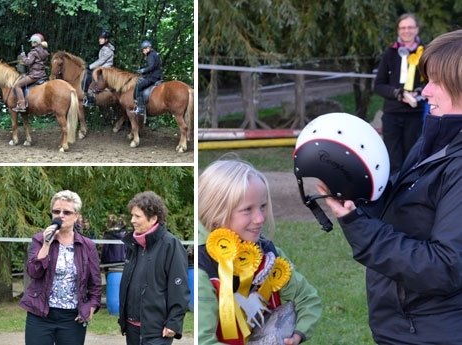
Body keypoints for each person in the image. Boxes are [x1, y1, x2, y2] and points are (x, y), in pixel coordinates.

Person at [315, 29, 462, 344]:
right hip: (405, 325)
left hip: (434, 333)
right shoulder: (434, 139)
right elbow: (405, 206)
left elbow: (444, 267)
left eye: (437, 81)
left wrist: (358, 227)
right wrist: (356, 190)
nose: (426, 90)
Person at [198, 158, 322, 345]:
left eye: (263, 206)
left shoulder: (270, 255)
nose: (260, 218)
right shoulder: (202, 269)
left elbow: (307, 299)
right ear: (216, 212)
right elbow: (202, 340)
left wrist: (297, 334)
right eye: (247, 209)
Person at [19, 190, 102, 345]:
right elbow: (33, 272)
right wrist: (46, 245)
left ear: (76, 215)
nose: (60, 215)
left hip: (72, 318)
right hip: (41, 314)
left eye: (67, 212)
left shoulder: (87, 245)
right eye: (56, 211)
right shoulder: (39, 239)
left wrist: (91, 306)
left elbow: (95, 283)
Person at [119, 191, 190, 345]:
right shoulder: (133, 245)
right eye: (132, 216)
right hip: (132, 328)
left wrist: (174, 322)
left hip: (157, 331)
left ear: (153, 219)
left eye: (137, 216)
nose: (132, 221)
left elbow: (179, 286)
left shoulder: (170, 245)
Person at [374, 13, 426, 174]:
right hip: (392, 114)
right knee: (392, 159)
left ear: (417, 29)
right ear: (398, 30)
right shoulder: (390, 53)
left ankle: (409, 195)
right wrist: (397, 93)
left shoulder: (426, 52)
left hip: (415, 115)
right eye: (403, 27)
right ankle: (392, 195)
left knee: (412, 159)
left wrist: (419, 92)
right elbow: (379, 85)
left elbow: (432, 81)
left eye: (410, 27)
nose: (407, 31)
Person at [13, 33, 50, 112]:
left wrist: (23, 56)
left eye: (32, 41)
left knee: (17, 85)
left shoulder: (34, 52)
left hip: (34, 75)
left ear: (35, 42)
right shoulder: (44, 52)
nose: (31, 43)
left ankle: (22, 104)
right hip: (42, 75)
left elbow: (28, 62)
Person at [83, 29, 115, 107]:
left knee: (93, 80)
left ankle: (90, 99)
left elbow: (101, 61)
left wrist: (90, 66)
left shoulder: (108, 50)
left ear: (106, 39)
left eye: (102, 38)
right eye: (99, 38)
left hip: (105, 69)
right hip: (102, 68)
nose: (99, 40)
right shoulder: (104, 48)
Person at [131, 40, 162, 116]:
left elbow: (151, 67)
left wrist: (143, 70)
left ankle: (141, 108)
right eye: (142, 50)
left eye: (144, 49)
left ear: (148, 48)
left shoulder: (150, 55)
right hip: (157, 75)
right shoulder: (155, 54)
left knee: (139, 86)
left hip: (153, 77)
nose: (143, 51)